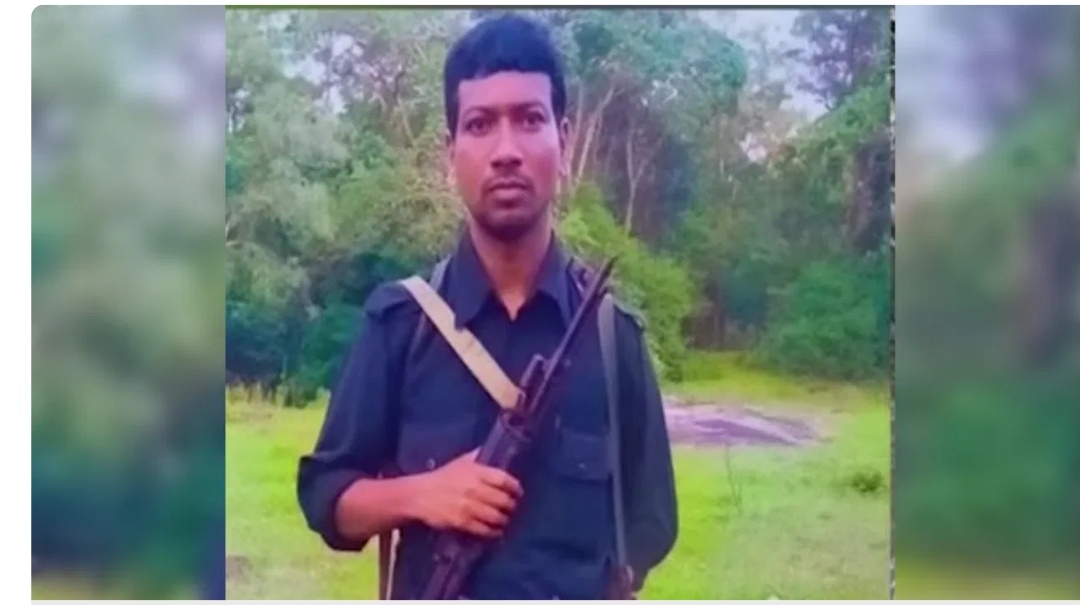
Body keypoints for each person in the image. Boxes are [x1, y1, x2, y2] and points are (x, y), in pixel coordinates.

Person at [297, 13, 677, 600]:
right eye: (479, 124)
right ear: (450, 153)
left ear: (564, 141)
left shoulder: (611, 336)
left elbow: (650, 526)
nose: (506, 151)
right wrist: (422, 494)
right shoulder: (401, 322)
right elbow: (327, 498)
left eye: (529, 119)